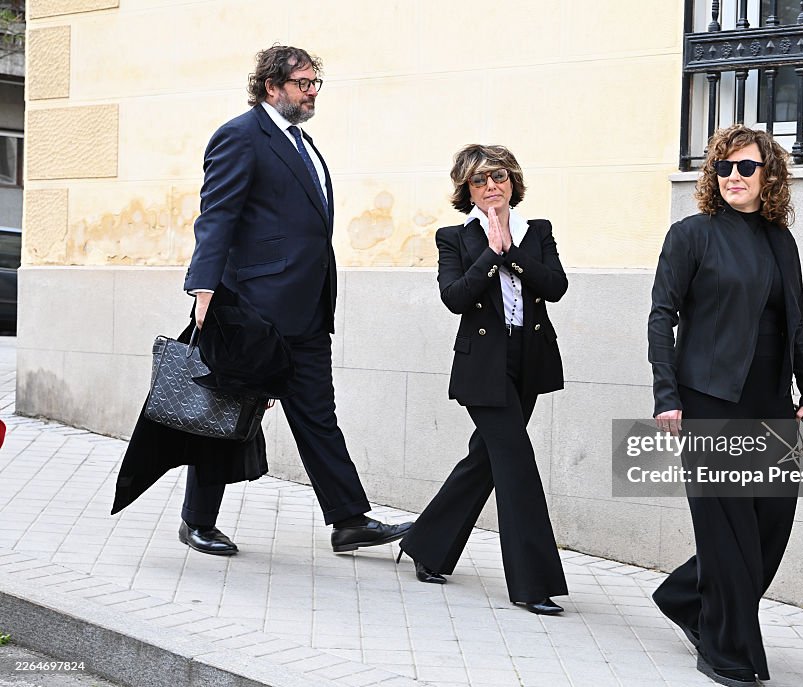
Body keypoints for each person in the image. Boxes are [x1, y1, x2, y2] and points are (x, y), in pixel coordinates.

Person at [178, 45, 411, 556]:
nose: (311, 93)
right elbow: (216, 216)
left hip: (306, 311)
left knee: (317, 414)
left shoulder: (302, 142)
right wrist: (204, 289)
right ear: (271, 87)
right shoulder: (240, 136)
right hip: (256, 310)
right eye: (303, 84)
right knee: (232, 413)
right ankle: (197, 520)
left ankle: (349, 520)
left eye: (314, 84)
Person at [647, 125, 803, 686]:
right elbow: (662, 316)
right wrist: (667, 396)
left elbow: (794, 323)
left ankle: (683, 596)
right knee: (729, 537)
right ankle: (726, 649)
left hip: (771, 402)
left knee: (771, 526)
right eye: (723, 168)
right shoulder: (691, 235)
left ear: (768, 174)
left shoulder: (780, 240)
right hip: (707, 399)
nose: (733, 178)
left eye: (746, 167)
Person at [397, 144, 569, 615]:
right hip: (482, 367)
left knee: (485, 461)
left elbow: (555, 286)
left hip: (529, 361)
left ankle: (425, 545)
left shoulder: (537, 232)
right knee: (516, 464)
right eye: (479, 181)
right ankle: (533, 583)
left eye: (499, 177)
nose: (491, 186)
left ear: (513, 182)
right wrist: (490, 255)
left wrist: (512, 253)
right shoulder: (453, 237)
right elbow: (455, 297)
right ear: (466, 191)